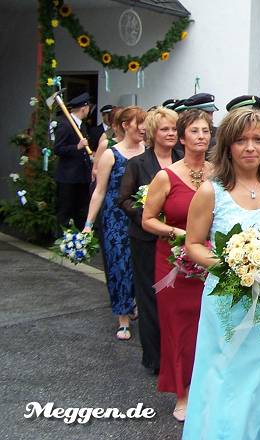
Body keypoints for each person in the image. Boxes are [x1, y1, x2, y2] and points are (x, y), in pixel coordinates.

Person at [182, 108, 260, 440]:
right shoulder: (211, 191)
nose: (250, 147)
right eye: (242, 140)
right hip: (227, 302)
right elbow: (193, 245)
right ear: (228, 145)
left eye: (258, 139)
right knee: (227, 377)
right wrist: (233, 266)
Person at [142, 109, 212, 421]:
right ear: (182, 138)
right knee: (178, 328)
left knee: (207, 326)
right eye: (194, 131)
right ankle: (182, 394)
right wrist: (178, 233)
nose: (201, 136)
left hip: (210, 260)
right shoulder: (166, 176)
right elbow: (148, 220)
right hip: (173, 263)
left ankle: (206, 388)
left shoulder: (219, 173)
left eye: (206, 131)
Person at [118, 107, 182, 374]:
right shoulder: (138, 164)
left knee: (176, 297)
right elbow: (124, 199)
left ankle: (178, 355)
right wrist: (148, 214)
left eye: (174, 129)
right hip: (146, 239)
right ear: (154, 132)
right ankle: (155, 358)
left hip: (179, 239)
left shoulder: (183, 159)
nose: (171, 133)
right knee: (150, 296)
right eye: (165, 129)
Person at [83, 106, 146, 340]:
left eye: (145, 123)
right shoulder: (111, 154)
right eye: (139, 123)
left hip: (140, 216)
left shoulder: (148, 151)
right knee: (118, 265)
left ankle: (134, 301)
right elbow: (99, 191)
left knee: (139, 264)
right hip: (114, 219)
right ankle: (123, 318)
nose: (143, 128)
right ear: (125, 125)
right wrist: (88, 224)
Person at [53, 92, 93, 228]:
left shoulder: (81, 125)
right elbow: (58, 149)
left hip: (81, 176)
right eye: (88, 107)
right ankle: (62, 237)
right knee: (65, 211)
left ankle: (81, 237)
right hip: (68, 177)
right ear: (84, 108)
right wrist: (76, 147)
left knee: (82, 211)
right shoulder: (66, 125)